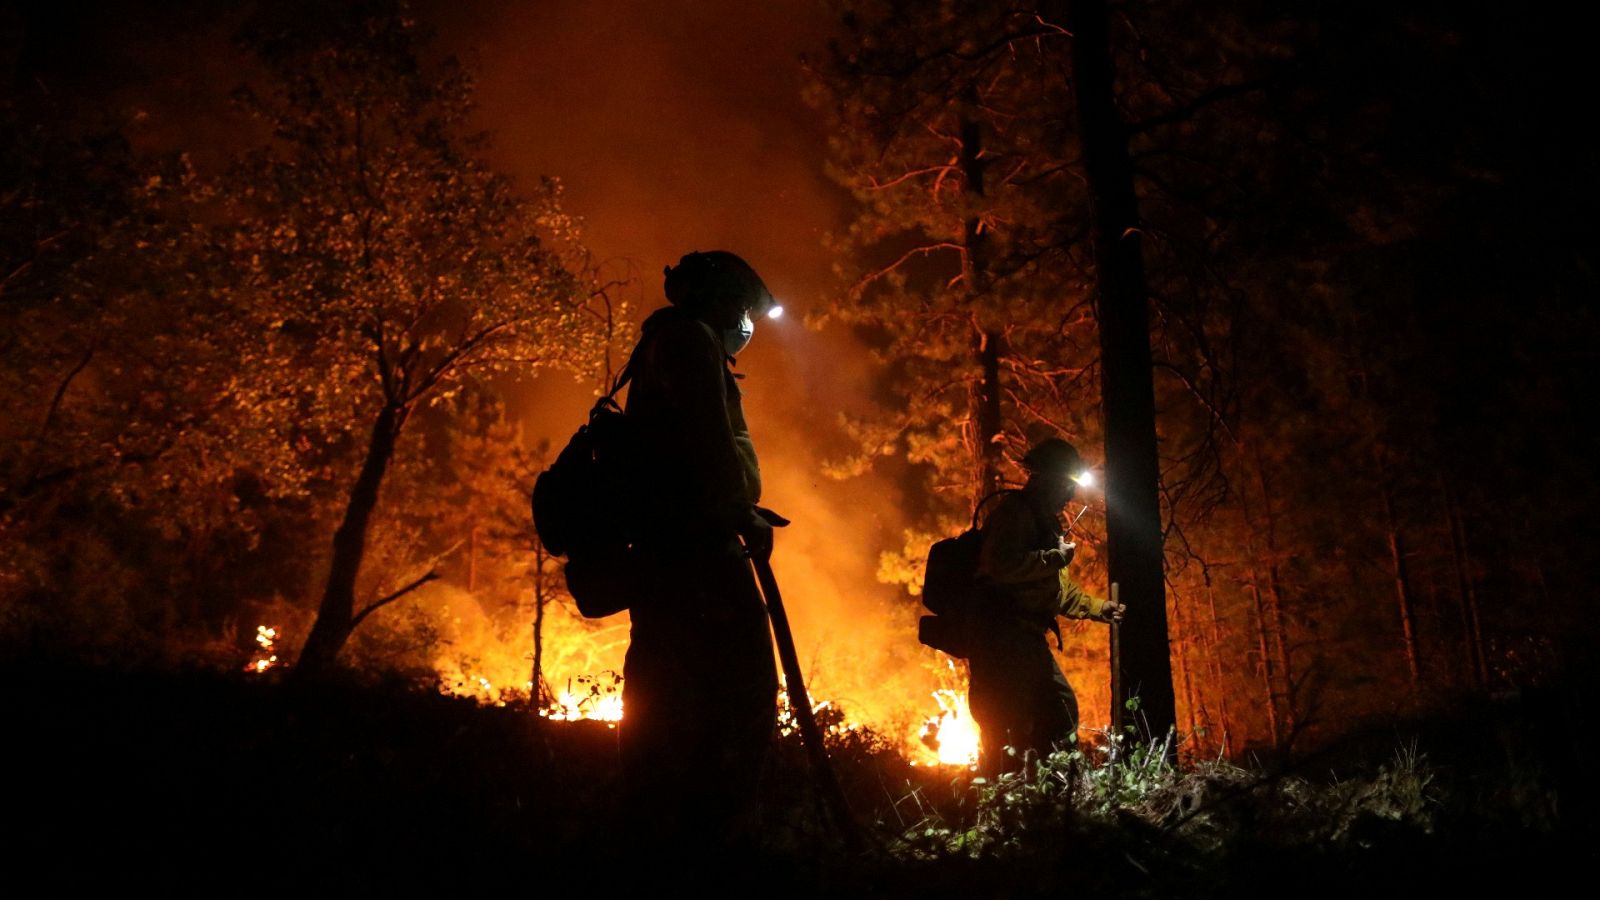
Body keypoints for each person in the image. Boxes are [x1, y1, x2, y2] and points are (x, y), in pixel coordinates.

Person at [617, 250, 781, 854]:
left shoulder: (671, 341)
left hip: (672, 546)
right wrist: (740, 513)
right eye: (742, 308)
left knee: (667, 688)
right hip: (695, 548)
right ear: (718, 300)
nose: (747, 323)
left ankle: (656, 835)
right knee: (742, 688)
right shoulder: (689, 343)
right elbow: (709, 444)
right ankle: (717, 838)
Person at [970, 437, 1123, 775]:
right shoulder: (1014, 514)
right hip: (1002, 640)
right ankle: (1009, 811)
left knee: (1057, 714)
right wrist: (1055, 557)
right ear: (1045, 479)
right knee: (1009, 728)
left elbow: (1060, 593)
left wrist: (1101, 609)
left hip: (1026, 639)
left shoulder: (1045, 523)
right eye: (1066, 486)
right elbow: (1000, 566)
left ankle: (1047, 802)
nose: (1069, 496)